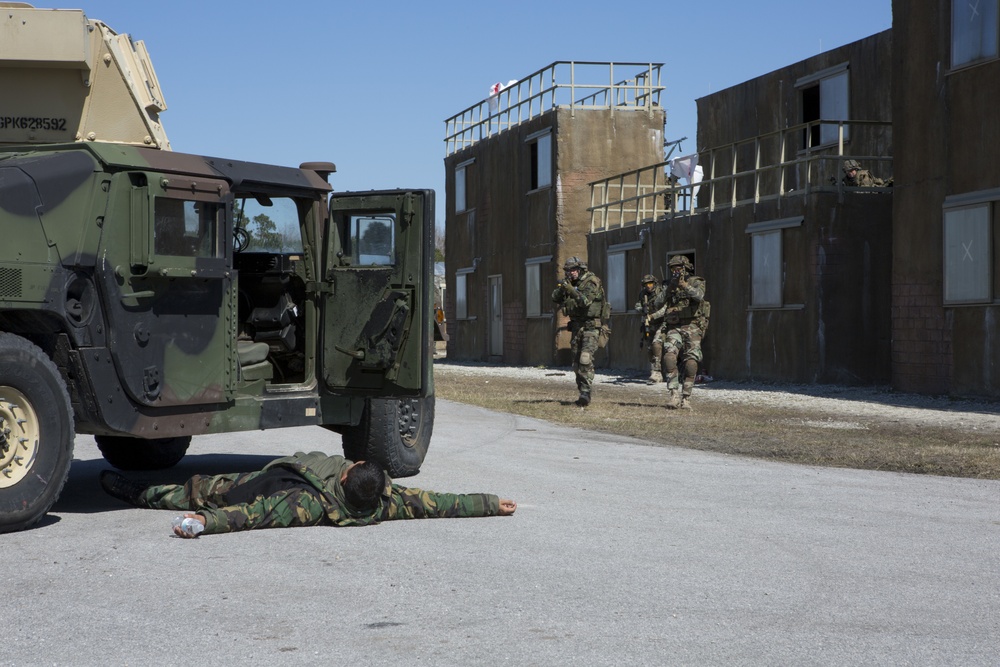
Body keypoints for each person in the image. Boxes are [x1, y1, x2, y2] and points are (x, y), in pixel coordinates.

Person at [99, 451, 516, 538]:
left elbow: (255, 514)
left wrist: (206, 521)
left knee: (184, 493)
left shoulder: (310, 506)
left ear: (347, 476)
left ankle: (132, 491)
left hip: (246, 489)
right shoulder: (385, 500)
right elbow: (440, 503)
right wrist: (491, 504)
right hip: (276, 471)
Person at [649, 255, 710, 410]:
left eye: (679, 268)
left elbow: (699, 296)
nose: (676, 271)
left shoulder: (697, 281)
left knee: (691, 363)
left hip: (693, 326)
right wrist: (669, 288)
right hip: (674, 326)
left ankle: (686, 397)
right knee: (669, 357)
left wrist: (684, 285)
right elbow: (657, 303)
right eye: (673, 268)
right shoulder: (669, 285)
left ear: (686, 268)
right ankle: (674, 395)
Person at [551, 256, 608, 407]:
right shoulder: (571, 283)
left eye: (574, 270)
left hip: (591, 327)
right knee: (576, 363)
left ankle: (586, 392)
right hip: (577, 327)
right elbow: (554, 298)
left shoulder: (592, 281)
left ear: (581, 269)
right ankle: (583, 391)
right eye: (569, 271)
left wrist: (571, 289)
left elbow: (585, 302)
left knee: (585, 358)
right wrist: (563, 287)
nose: (571, 273)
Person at [634, 274, 667, 383]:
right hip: (649, 324)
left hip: (661, 323)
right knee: (649, 348)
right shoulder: (643, 294)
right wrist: (641, 310)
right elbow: (637, 305)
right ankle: (654, 371)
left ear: (654, 283)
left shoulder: (661, 293)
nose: (648, 286)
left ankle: (657, 371)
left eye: (650, 283)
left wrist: (653, 316)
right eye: (646, 284)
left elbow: (665, 309)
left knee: (656, 344)